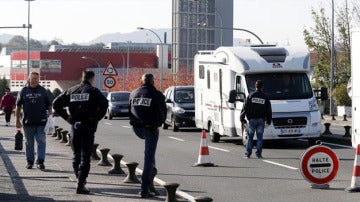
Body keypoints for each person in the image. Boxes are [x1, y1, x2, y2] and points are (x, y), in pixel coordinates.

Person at [52, 70, 108, 194]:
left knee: (76, 155)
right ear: (92, 78)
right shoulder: (93, 91)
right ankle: (81, 183)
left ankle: (79, 179)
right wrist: (96, 117)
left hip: (75, 126)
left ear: (82, 77)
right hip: (88, 125)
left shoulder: (72, 90)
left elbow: (56, 104)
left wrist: (67, 117)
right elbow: (105, 103)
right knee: (85, 157)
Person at [129, 73, 166, 198]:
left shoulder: (133, 93)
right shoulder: (157, 95)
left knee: (150, 157)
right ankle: (145, 188)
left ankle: (151, 180)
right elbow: (163, 113)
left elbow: (130, 110)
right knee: (149, 158)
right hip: (150, 128)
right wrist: (158, 124)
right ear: (153, 82)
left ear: (142, 81)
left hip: (137, 128)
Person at [15, 72, 52, 170]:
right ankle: (30, 161)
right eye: (33, 78)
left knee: (41, 141)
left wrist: (50, 115)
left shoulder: (43, 90)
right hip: (28, 122)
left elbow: (49, 104)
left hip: (41, 122)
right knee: (29, 143)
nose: (35, 80)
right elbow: (18, 107)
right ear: (29, 79)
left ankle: (40, 161)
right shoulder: (23, 91)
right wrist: (17, 120)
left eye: (37, 78)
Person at [240, 80, 272, 159]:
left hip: (252, 120)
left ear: (255, 86)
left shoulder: (250, 95)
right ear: (262, 87)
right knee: (260, 137)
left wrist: (242, 118)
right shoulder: (265, 97)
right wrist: (269, 120)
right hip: (261, 120)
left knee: (250, 137)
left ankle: (248, 153)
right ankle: (258, 154)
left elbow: (245, 107)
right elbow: (268, 110)